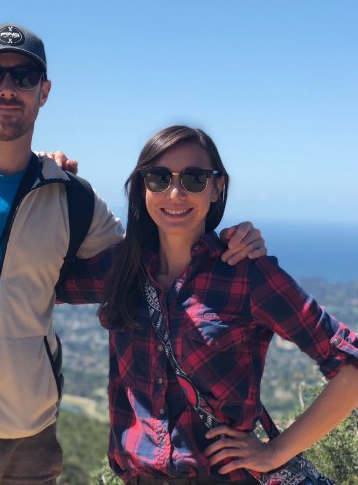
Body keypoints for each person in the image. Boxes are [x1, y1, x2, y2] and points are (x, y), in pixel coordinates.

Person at [0, 24, 265, 485]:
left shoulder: (71, 198)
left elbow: (151, 263)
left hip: (29, 447)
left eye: (24, 77)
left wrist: (224, 242)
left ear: (44, 92)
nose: (7, 89)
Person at [57, 125, 358, 484]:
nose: (175, 193)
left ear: (217, 187)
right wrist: (51, 181)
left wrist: (275, 452)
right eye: (158, 178)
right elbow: (38, 280)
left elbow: (350, 365)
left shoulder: (246, 274)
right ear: (142, 187)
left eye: (195, 179)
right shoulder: (122, 268)